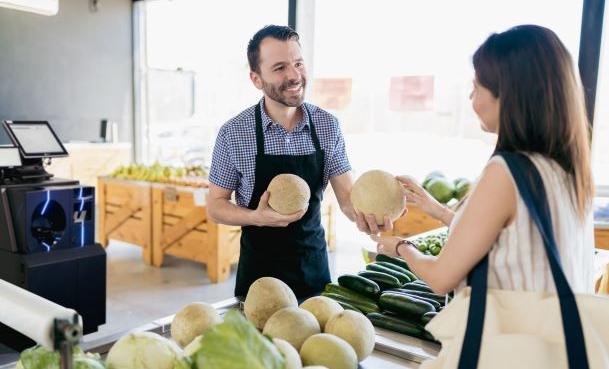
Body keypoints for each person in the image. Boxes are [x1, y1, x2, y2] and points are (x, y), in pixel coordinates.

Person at [371, 24, 595, 295]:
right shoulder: (565, 168)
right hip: (552, 334)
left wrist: (401, 247)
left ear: (509, 94)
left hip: (511, 336)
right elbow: (513, 239)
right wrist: (437, 210)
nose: (471, 98)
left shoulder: (506, 172)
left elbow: (442, 278)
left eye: (477, 87)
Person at [207, 25, 390, 299]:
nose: (294, 75)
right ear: (256, 79)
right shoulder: (234, 133)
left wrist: (370, 218)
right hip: (259, 280)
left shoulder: (328, 126)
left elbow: (349, 200)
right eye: (280, 67)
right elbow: (216, 206)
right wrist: (256, 217)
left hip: (313, 272)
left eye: (298, 63)